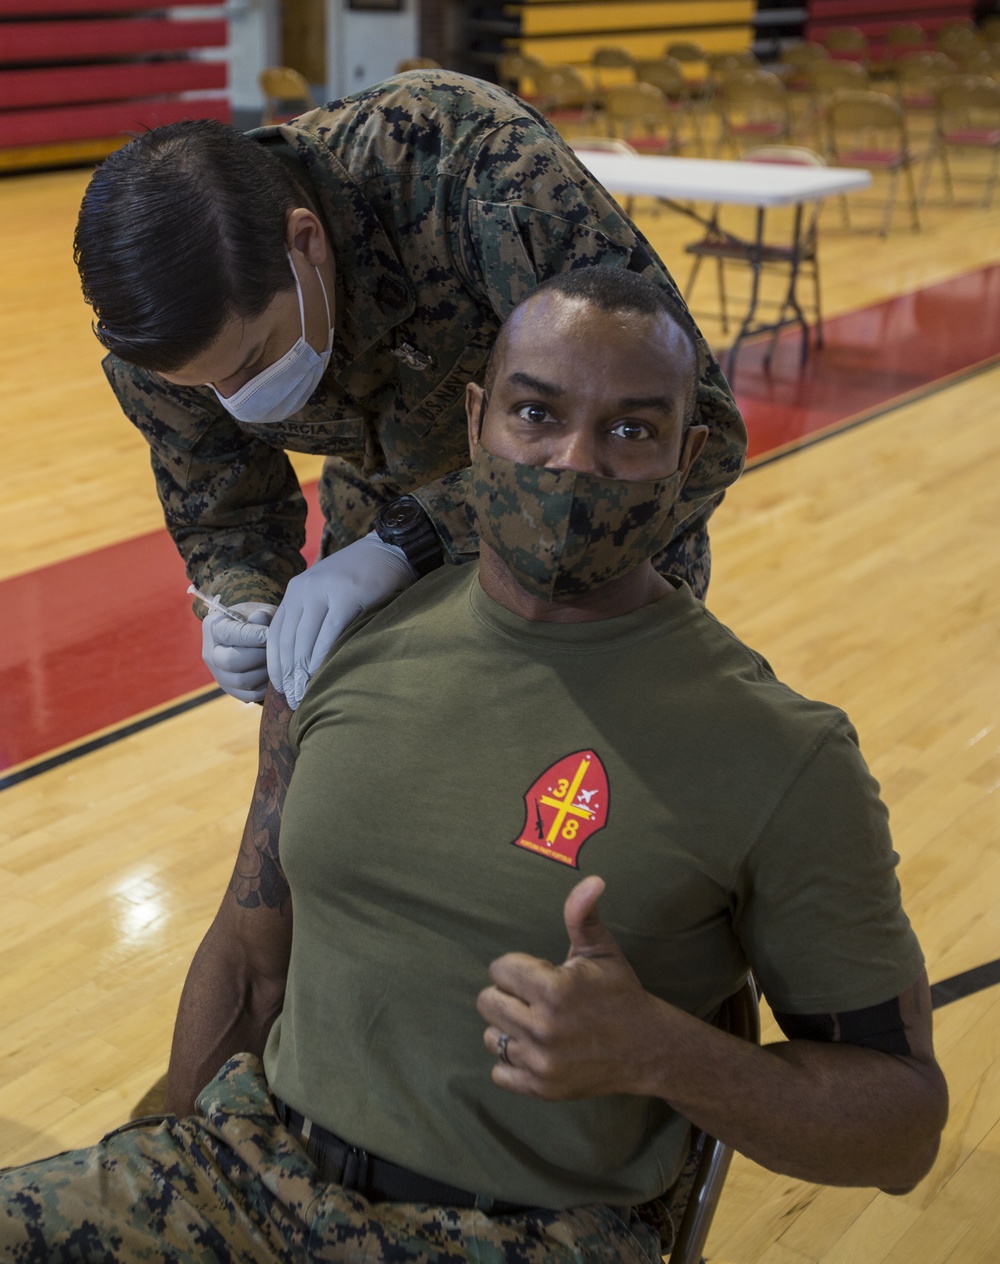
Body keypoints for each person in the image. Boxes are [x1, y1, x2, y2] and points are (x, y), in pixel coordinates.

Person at [0, 269, 946, 1262]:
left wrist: (662, 1052)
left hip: (518, 1231)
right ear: (475, 421)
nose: (571, 463)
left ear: (687, 456)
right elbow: (249, 960)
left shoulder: (781, 754)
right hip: (254, 1170)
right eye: (536, 413)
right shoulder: (339, 645)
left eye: (630, 430)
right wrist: (178, 1157)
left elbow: (901, 1128)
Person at [72, 69, 747, 710]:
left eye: (253, 358)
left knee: (578, 799)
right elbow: (226, 512)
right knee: (342, 784)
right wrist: (242, 600)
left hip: (588, 532)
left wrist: (418, 536)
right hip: (378, 532)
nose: (234, 395)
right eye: (202, 387)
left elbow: (704, 434)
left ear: (305, 242)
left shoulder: (473, 166)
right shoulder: (156, 330)